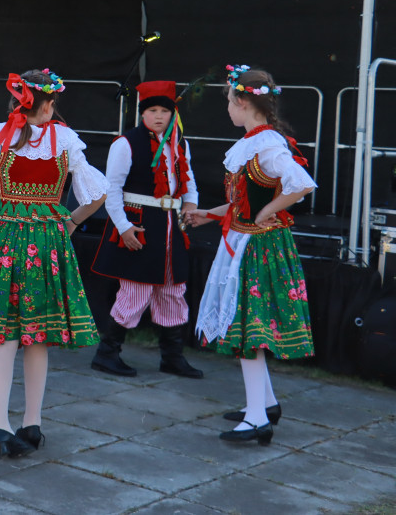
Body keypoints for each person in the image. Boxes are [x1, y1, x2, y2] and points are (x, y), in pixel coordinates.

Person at [0, 69, 108, 458]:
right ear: (44, 102)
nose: (52, 108)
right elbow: (97, 193)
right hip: (42, 243)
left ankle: (13, 425)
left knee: (14, 335)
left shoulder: (18, 136)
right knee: (28, 336)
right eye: (51, 102)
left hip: (13, 241)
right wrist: (68, 222)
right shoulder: (27, 137)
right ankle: (20, 424)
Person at [188, 65, 315, 446]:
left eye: (229, 100)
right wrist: (207, 215)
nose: (228, 108)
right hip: (245, 241)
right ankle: (266, 404)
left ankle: (258, 419)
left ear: (243, 102)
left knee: (247, 328)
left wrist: (266, 211)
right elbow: (241, 203)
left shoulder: (267, 145)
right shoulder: (255, 143)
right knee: (246, 326)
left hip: (258, 247)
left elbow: (301, 184)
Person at [90, 80, 203, 379]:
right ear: (142, 113)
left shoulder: (180, 143)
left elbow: (188, 180)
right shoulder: (125, 143)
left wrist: (190, 205)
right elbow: (111, 188)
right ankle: (107, 353)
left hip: (170, 226)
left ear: (172, 113)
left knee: (172, 290)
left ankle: (172, 357)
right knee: (136, 289)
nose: (158, 116)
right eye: (152, 110)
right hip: (139, 223)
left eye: (164, 110)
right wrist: (124, 226)